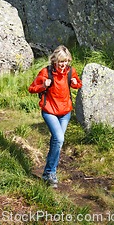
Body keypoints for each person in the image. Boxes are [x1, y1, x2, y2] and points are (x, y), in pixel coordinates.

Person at [28, 45, 82, 187]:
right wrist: (43, 85)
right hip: (49, 110)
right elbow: (32, 88)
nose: (63, 65)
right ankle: (51, 173)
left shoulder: (71, 71)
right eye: (60, 62)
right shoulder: (46, 72)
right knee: (59, 138)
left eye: (65, 61)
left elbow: (77, 84)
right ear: (54, 61)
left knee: (57, 141)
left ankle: (47, 173)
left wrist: (75, 83)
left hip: (65, 112)